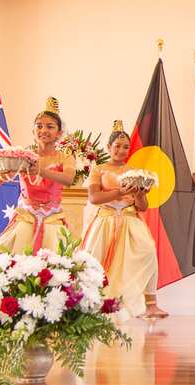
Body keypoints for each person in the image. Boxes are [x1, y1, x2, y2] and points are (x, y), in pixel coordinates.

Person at [80, 120, 165, 319]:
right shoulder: (98, 170)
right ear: (108, 147)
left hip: (130, 220)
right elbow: (94, 198)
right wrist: (119, 192)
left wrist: (140, 194)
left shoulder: (135, 172)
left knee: (149, 252)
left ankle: (150, 304)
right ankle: (89, 303)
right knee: (94, 260)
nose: (121, 150)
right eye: (117, 146)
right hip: (105, 220)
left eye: (125, 147)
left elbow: (142, 207)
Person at [0, 97, 77, 256]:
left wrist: (40, 170)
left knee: (57, 265)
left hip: (52, 219)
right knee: (10, 263)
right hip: (25, 217)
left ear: (59, 133)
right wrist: (0, 172)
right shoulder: (23, 156)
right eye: (39, 126)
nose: (44, 130)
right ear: (33, 131)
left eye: (50, 126)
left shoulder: (65, 157)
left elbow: (68, 179)